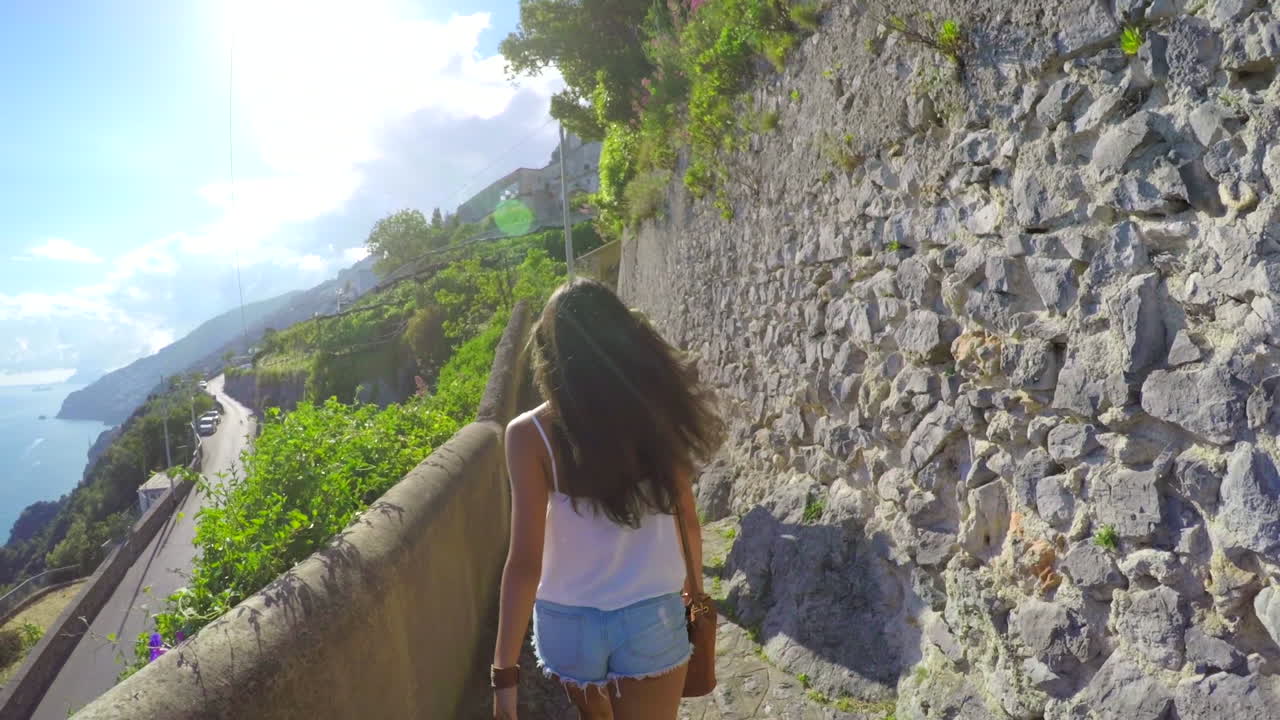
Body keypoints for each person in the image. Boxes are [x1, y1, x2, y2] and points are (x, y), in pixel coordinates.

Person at [491, 277, 724, 720]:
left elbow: (524, 561)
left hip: (568, 624)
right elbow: (687, 520)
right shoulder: (656, 415)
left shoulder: (529, 435)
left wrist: (504, 676)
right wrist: (694, 594)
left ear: (550, 353)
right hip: (651, 615)